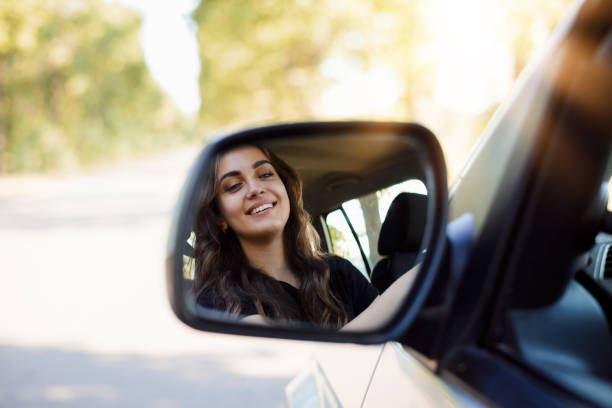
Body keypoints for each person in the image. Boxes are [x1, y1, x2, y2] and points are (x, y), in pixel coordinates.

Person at [193, 144, 418, 330]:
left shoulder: (339, 272)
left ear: (285, 191)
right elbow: (298, 361)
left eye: (265, 174)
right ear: (220, 217)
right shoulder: (217, 301)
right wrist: (412, 283)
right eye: (233, 186)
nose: (255, 188)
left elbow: (392, 338)